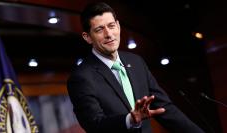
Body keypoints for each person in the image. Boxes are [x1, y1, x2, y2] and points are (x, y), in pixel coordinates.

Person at [67, 2, 204, 133]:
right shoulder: (81, 77)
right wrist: (129, 120)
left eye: (111, 26)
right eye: (99, 29)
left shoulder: (136, 62)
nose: (109, 34)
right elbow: (94, 125)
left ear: (118, 26)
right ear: (87, 37)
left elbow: (165, 109)